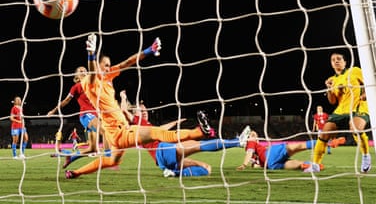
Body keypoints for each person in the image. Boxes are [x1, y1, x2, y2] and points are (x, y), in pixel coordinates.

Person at [65, 34, 213, 179]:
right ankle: (201, 132)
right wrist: (91, 54)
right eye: (105, 65)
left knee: (111, 161)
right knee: (158, 133)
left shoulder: (108, 76)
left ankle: (75, 172)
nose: (109, 68)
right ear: (97, 65)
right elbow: (91, 74)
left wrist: (149, 50)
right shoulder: (88, 82)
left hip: (114, 133)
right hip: (120, 131)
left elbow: (127, 62)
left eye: (109, 65)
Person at [120, 89, 236, 178]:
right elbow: (124, 111)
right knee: (199, 145)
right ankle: (237, 141)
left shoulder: (148, 126)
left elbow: (161, 129)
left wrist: (175, 122)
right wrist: (123, 97)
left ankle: (173, 173)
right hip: (164, 150)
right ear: (135, 113)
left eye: (145, 110)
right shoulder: (137, 122)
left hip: (163, 161)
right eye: (141, 111)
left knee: (207, 168)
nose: (144, 113)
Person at [305, 52, 371, 173]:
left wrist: (365, 94)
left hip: (358, 108)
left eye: (339, 59)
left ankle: (366, 156)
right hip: (340, 111)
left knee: (355, 128)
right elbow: (332, 101)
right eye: (333, 60)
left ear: (345, 62)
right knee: (324, 134)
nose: (336, 61)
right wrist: (329, 88)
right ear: (331, 64)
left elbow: (370, 83)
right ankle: (315, 164)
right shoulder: (333, 80)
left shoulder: (355, 71)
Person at [47, 66, 103, 168]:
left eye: (85, 71)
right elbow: (66, 100)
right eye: (80, 71)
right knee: (104, 129)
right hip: (86, 116)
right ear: (76, 75)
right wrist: (54, 110)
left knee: (93, 149)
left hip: (95, 116)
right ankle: (110, 158)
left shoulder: (92, 85)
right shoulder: (76, 87)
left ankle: (70, 156)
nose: (83, 72)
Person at [236, 126, 345, 172]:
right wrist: (244, 164)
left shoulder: (256, 149)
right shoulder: (251, 143)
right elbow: (249, 153)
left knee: (296, 164)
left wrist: (253, 165)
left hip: (270, 165)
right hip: (270, 154)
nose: (253, 134)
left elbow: (256, 164)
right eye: (251, 134)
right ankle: (329, 143)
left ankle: (312, 166)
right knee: (298, 146)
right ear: (247, 138)